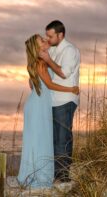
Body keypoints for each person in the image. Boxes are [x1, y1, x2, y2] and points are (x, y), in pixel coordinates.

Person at [17, 34, 79, 189]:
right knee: (40, 140)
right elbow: (50, 85)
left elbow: (34, 85)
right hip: (38, 107)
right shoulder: (40, 64)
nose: (46, 42)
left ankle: (32, 174)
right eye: (42, 42)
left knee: (38, 140)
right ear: (38, 49)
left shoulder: (39, 63)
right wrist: (71, 89)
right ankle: (38, 176)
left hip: (38, 105)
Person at [39, 20, 80, 182]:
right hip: (54, 99)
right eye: (46, 36)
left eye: (50, 36)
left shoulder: (69, 50)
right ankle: (57, 173)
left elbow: (64, 73)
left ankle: (63, 175)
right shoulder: (54, 49)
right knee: (56, 138)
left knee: (63, 138)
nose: (47, 39)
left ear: (60, 35)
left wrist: (48, 59)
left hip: (65, 99)